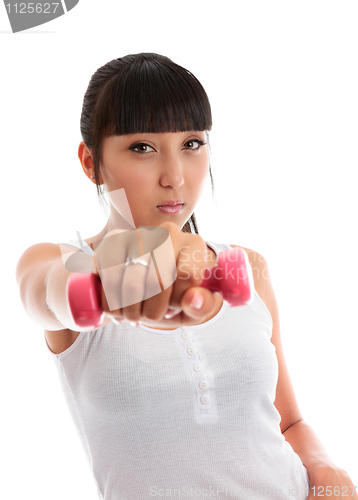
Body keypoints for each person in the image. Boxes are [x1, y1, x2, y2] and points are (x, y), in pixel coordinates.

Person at [15, 53, 357, 500]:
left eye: (192, 143)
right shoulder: (53, 262)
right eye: (142, 147)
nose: (175, 176)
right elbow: (56, 293)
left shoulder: (246, 266)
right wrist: (116, 280)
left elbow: (289, 421)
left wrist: (328, 474)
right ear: (91, 162)